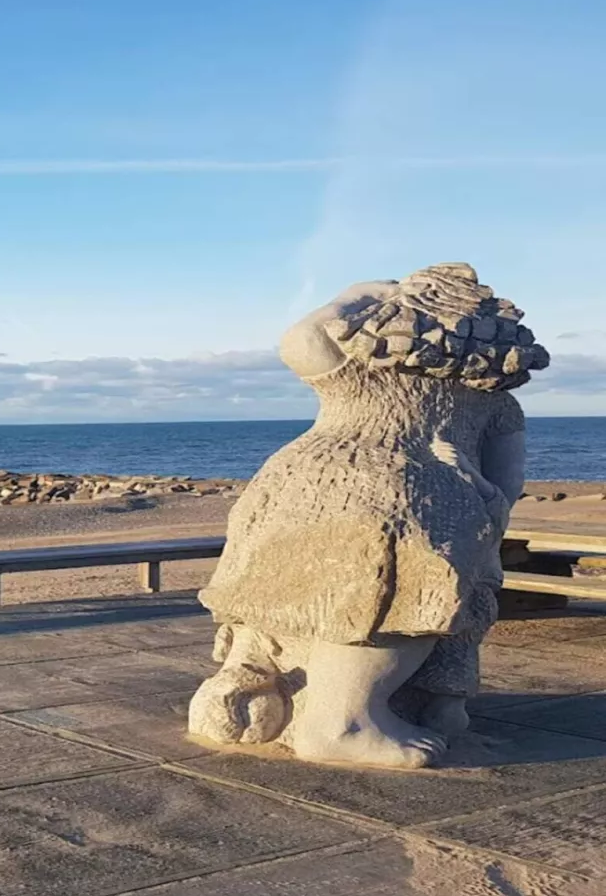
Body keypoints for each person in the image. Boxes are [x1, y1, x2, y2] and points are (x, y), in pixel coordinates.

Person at [190, 263, 547, 768]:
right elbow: (506, 487)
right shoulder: (496, 403)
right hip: (412, 490)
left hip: (296, 481)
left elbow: (302, 339)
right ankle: (341, 722)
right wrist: (481, 501)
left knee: (286, 594)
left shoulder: (361, 372)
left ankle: (259, 680)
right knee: (399, 603)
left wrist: (357, 293)